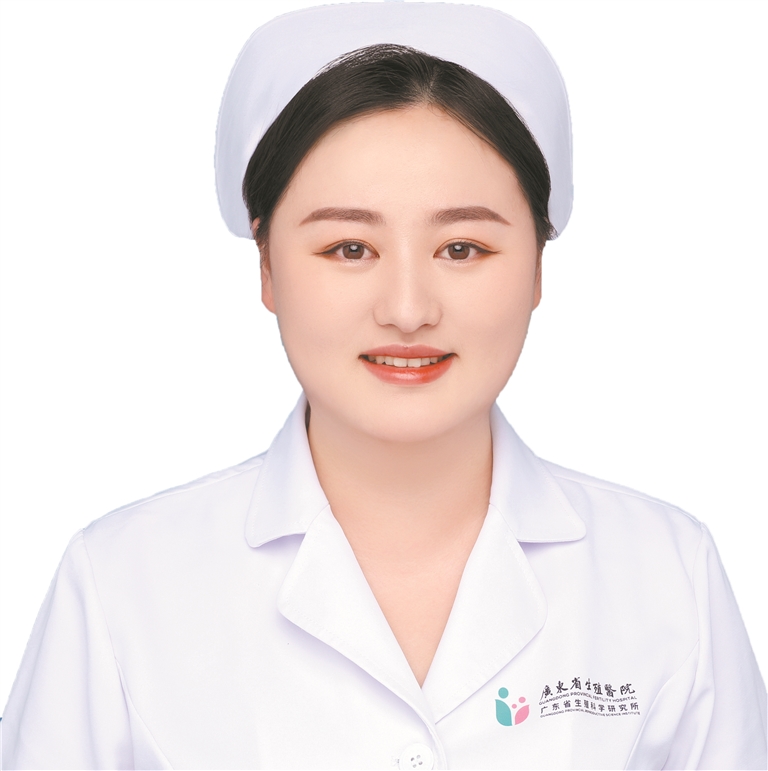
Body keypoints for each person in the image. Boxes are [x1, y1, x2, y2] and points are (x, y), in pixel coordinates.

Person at [2, 3, 766, 769]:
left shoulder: (669, 575)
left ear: (539, 264)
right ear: (266, 265)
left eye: (461, 248)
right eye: (349, 248)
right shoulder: (121, 584)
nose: (407, 308)